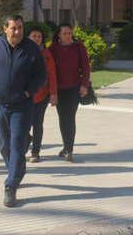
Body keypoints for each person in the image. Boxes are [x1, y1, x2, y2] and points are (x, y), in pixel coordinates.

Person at [0, 15, 46, 208]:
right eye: (13, 28)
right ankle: (16, 170)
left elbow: (41, 75)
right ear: (5, 28)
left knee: (17, 144)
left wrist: (29, 91)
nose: (17, 31)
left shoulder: (31, 48)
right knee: (4, 144)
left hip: (22, 105)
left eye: (20, 28)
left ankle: (11, 185)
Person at [49, 24, 90, 163]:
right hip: (59, 89)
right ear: (59, 35)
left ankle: (69, 149)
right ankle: (66, 146)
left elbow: (86, 67)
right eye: (65, 33)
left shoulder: (79, 47)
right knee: (62, 117)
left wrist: (84, 85)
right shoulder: (53, 48)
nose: (68, 35)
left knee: (70, 118)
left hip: (74, 89)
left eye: (69, 33)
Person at [27, 26, 58, 163]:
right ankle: (26, 142)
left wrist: (53, 94)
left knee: (37, 124)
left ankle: (35, 152)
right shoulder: (22, 52)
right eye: (34, 36)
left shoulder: (46, 54)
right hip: (25, 96)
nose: (37, 39)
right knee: (24, 124)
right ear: (28, 37)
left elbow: (52, 74)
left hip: (42, 95)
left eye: (39, 36)